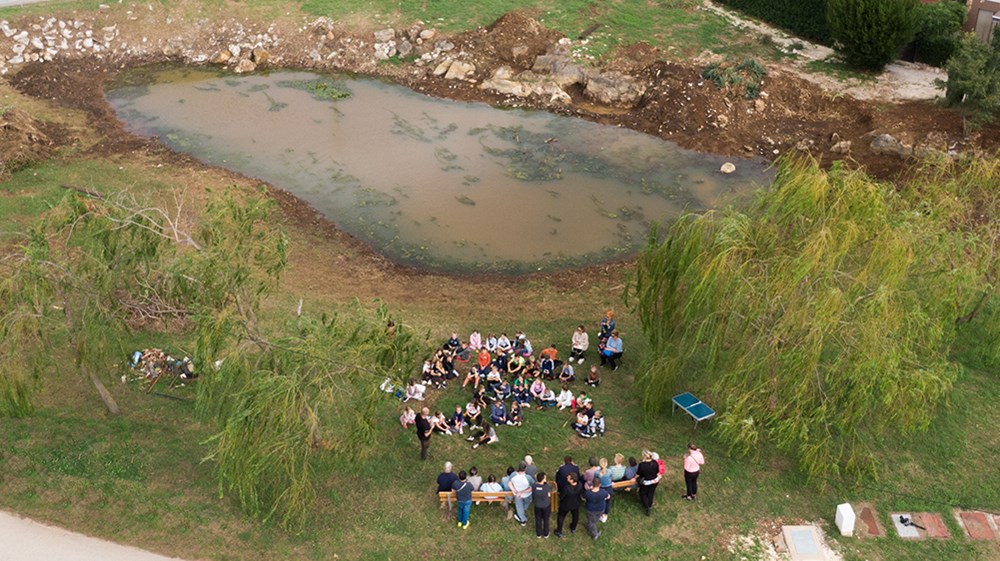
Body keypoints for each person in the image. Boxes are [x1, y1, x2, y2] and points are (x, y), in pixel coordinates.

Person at [555, 471, 583, 538]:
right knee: (575, 516)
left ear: (572, 480)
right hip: (575, 504)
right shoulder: (580, 485)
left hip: (565, 505)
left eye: (569, 478)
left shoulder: (566, 488)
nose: (567, 478)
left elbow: (561, 496)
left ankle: (559, 531)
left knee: (561, 517)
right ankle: (573, 528)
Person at [637, 449, 661, 516]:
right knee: (651, 493)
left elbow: (638, 474)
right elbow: (657, 472)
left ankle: (647, 507)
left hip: (646, 482)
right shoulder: (655, 462)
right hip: (655, 481)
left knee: (642, 493)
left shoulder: (642, 465)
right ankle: (649, 504)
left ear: (644, 456)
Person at [509, 462, 533, 526]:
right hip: (526, 494)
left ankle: (522, 518)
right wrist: (521, 492)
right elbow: (531, 488)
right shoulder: (528, 478)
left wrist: (516, 491)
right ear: (525, 469)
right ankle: (523, 519)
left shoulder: (513, 474)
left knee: (519, 507)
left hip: (516, 494)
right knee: (527, 502)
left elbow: (510, 483)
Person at [531, 471, 552, 538]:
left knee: (538, 519)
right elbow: (549, 495)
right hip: (546, 506)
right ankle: (546, 533)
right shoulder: (547, 487)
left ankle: (538, 533)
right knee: (546, 519)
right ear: (543, 479)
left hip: (537, 505)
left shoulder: (534, 486)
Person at [598, 457, 614, 522]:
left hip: (602, 489)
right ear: (606, 464)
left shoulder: (597, 473)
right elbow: (611, 478)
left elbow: (596, 480)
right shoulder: (610, 471)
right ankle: (605, 515)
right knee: (608, 502)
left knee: (602, 502)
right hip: (609, 489)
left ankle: (602, 515)